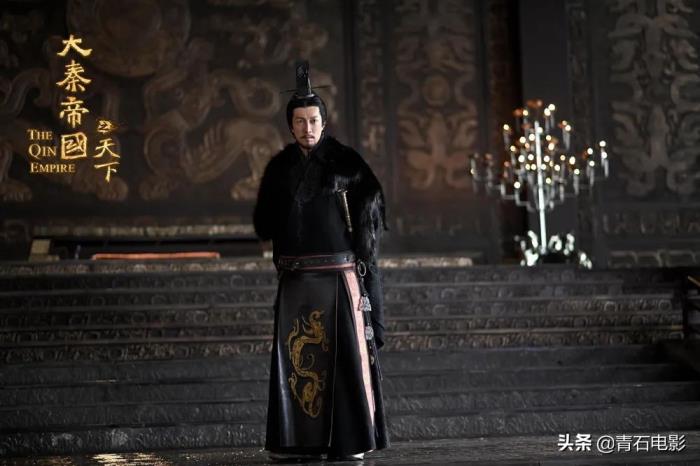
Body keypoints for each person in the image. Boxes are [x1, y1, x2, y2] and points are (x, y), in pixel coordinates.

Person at [253, 61, 389, 461]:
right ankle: (297, 443)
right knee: (297, 366)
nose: (307, 128)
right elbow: (267, 225)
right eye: (299, 121)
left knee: (345, 364)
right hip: (296, 282)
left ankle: (350, 442)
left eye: (313, 120)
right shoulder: (279, 169)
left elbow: (368, 233)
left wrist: (372, 293)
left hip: (339, 277)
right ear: (290, 126)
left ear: (324, 123)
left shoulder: (348, 166)